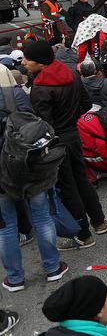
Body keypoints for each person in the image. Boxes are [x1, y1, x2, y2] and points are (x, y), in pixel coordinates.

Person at [22, 41, 106, 250]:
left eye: (27, 59)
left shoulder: (41, 87)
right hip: (73, 135)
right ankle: (99, 221)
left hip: (56, 142)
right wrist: (70, 120)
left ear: (40, 63)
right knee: (81, 178)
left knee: (67, 186)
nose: (23, 63)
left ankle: (84, 235)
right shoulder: (71, 74)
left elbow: (44, 124)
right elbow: (86, 104)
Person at [1, 61, 68, 292]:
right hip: (26, 162)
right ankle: (52, 267)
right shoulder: (15, 93)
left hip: (0, 174)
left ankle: (15, 278)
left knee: (6, 226)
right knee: (41, 215)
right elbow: (34, 124)